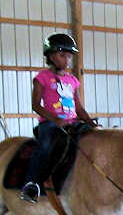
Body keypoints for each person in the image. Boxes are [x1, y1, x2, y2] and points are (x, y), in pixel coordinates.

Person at [20, 33, 97, 203]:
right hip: (50, 124)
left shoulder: (73, 80)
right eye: (63, 56)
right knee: (45, 147)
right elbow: (36, 105)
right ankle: (31, 184)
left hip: (72, 122)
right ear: (51, 56)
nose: (67, 60)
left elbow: (78, 108)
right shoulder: (42, 78)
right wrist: (55, 120)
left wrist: (91, 123)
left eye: (69, 56)